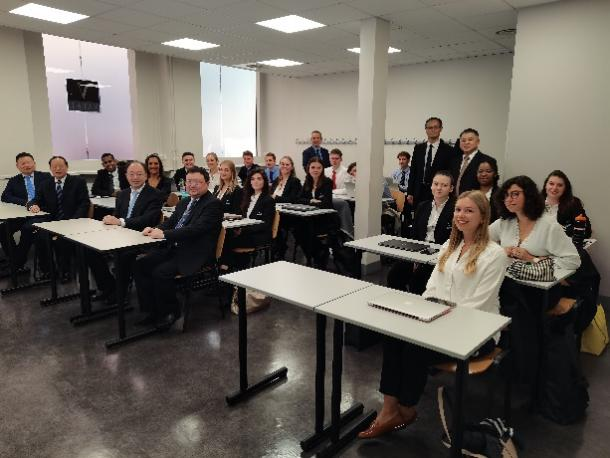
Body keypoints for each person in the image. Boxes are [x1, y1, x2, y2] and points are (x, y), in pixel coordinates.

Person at [360, 190, 507, 439]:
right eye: (458, 210)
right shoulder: (450, 246)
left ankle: (406, 409)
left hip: (476, 331)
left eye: (469, 210)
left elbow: (478, 304)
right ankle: (389, 409)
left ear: (483, 217)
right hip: (439, 319)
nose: (461, 215)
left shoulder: (495, 255)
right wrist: (425, 313)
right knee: (394, 336)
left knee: (415, 348)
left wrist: (437, 319)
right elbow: (432, 288)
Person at [489, 176, 581, 383]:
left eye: (515, 194)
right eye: (506, 195)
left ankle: (526, 368)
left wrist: (533, 259)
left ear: (529, 196)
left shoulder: (548, 226)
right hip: (510, 285)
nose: (509, 199)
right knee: (496, 300)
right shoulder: (504, 223)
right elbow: (482, 241)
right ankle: (509, 358)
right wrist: (501, 250)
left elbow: (573, 260)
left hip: (541, 290)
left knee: (515, 309)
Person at [134, 166, 223, 328]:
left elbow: (196, 229)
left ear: (207, 183)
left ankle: (170, 312)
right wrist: (155, 229)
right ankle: (150, 311)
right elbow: (171, 222)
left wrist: (164, 234)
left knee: (160, 272)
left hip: (194, 252)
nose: (192, 185)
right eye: (189, 181)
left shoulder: (213, 204)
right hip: (174, 247)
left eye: (197, 182)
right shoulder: (184, 202)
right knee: (141, 265)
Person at [87, 161, 164, 304]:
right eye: (131, 174)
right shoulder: (122, 194)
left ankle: (120, 293)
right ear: (126, 176)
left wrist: (121, 222)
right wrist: (110, 220)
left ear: (146, 175)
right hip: (119, 235)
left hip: (140, 238)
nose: (135, 177)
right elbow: (117, 216)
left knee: (124, 255)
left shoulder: (155, 194)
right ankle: (108, 287)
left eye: (139, 174)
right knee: (90, 249)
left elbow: (147, 219)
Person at [387, 171, 456, 294]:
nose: (439, 188)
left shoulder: (456, 209)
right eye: (436, 184)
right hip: (420, 250)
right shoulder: (423, 206)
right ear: (431, 186)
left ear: (451, 188)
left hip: (441, 254)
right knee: (394, 274)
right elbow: (414, 234)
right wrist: (415, 258)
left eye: (444, 185)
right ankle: (401, 300)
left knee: (419, 281)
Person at [27, 156, 90, 281]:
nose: (58, 169)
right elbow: (35, 200)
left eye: (61, 166)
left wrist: (73, 221)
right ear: (50, 169)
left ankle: (65, 271)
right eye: (54, 166)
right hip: (53, 222)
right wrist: (32, 205)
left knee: (61, 240)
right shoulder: (45, 184)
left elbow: (84, 204)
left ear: (67, 167)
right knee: (40, 237)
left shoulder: (78, 182)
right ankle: (47, 271)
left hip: (72, 221)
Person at [0, 152, 52, 271]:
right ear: (17, 166)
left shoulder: (45, 177)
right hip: (22, 215)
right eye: (23, 163)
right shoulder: (14, 180)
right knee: (2, 229)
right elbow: (5, 196)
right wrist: (26, 203)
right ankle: (14, 260)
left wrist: (36, 204)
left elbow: (50, 195)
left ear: (34, 163)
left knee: (27, 229)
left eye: (28, 162)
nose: (26, 165)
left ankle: (17, 263)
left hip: (41, 214)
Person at [222, 169, 276, 271]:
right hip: (245, 232)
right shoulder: (247, 198)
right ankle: (228, 266)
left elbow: (265, 224)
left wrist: (242, 230)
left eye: (259, 179)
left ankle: (228, 267)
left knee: (228, 241)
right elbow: (243, 217)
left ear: (264, 181)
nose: (256, 181)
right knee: (223, 237)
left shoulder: (268, 200)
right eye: (253, 179)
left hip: (260, 235)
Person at [406, 117, 455, 206]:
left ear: (441, 129)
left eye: (436, 127)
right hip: (418, 192)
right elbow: (413, 171)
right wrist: (410, 192)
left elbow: (450, 174)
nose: (433, 130)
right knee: (419, 214)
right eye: (430, 127)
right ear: (426, 129)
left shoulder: (449, 150)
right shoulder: (418, 148)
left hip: (438, 192)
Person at [296, 157, 334, 267]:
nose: (315, 170)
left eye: (319, 168)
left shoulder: (327, 182)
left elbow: (326, 203)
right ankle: (310, 255)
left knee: (308, 230)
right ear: (308, 168)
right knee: (297, 228)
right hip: (309, 216)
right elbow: (298, 199)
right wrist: (311, 201)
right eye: (313, 167)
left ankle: (316, 257)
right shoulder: (307, 181)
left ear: (322, 169)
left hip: (324, 218)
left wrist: (308, 202)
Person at [541, 170, 592, 238]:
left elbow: (587, 231)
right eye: (551, 184)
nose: (554, 188)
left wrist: (563, 230)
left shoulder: (573, 203)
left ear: (565, 188)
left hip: (562, 242)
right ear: (546, 185)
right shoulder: (535, 202)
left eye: (560, 185)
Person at [270, 156, 302, 259]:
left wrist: (276, 198)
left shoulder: (295, 181)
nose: (284, 166)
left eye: (287, 164)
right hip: (273, 212)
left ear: (291, 167)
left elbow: (292, 199)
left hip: (286, 214)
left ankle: (279, 253)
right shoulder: (276, 180)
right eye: (282, 164)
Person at [450, 128, 497, 196]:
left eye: (470, 140)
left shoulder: (487, 160)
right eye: (463, 140)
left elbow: (490, 187)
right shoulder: (454, 161)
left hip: (475, 200)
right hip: (454, 201)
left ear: (478, 142)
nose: (466, 142)